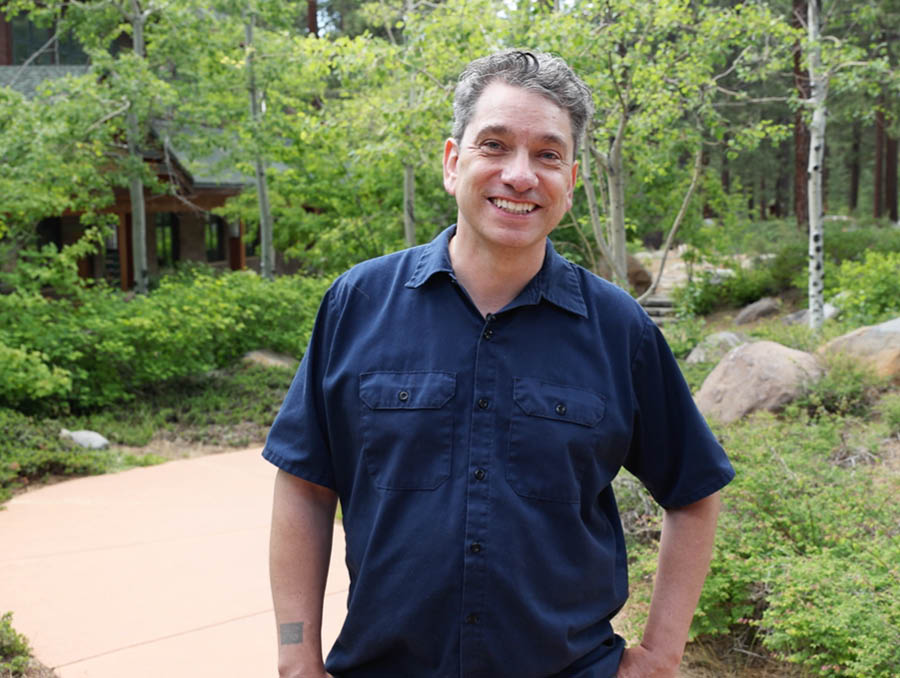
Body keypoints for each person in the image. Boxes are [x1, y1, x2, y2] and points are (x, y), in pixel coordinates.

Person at [264, 49, 734, 678]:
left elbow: (694, 492)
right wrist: (296, 658)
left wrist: (662, 654)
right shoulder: (358, 303)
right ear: (453, 162)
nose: (520, 175)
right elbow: (304, 485)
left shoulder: (620, 330)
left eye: (547, 154)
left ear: (572, 180)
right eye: (495, 145)